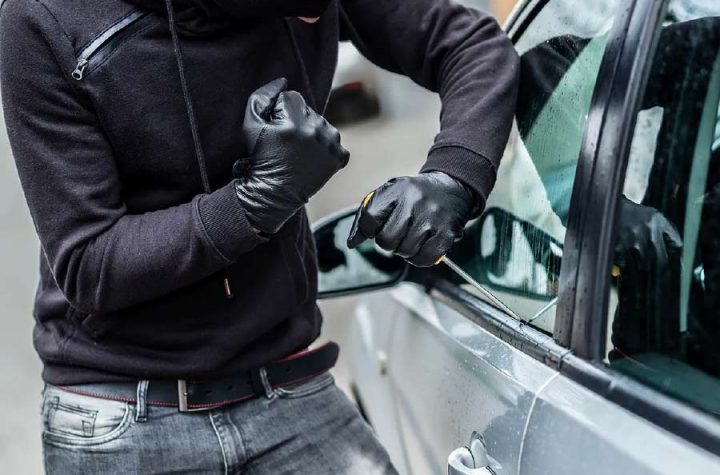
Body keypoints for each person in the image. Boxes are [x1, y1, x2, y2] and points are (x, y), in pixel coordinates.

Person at [0, 0, 518, 472]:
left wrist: (455, 175)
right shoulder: (46, 19)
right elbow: (90, 264)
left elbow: (470, 43)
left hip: (285, 385)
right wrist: (257, 200)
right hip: (122, 412)